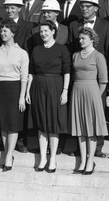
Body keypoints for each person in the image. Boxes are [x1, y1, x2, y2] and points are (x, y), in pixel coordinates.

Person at [26, 20, 70, 173]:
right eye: (41, 31)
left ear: (53, 31)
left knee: (53, 123)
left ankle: (52, 159)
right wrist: (27, 91)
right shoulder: (36, 49)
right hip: (38, 85)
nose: (43, 34)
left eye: (46, 31)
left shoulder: (61, 49)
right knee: (41, 123)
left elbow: (67, 72)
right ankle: (43, 157)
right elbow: (31, 72)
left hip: (55, 86)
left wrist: (65, 91)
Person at [0, 19, 29, 172]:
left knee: (13, 125)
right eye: (1, 31)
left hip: (14, 89)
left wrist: (22, 96)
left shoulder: (22, 53)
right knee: (3, 125)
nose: (2, 33)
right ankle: (7, 154)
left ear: (13, 33)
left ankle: (9, 155)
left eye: (5, 31)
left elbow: (24, 76)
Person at [70, 27, 108, 175]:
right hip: (77, 91)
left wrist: (96, 97)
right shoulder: (75, 55)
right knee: (80, 129)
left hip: (92, 92)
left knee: (91, 129)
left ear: (92, 39)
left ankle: (90, 160)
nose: (80, 41)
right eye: (79, 38)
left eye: (83, 38)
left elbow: (103, 81)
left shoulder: (99, 56)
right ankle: (83, 161)